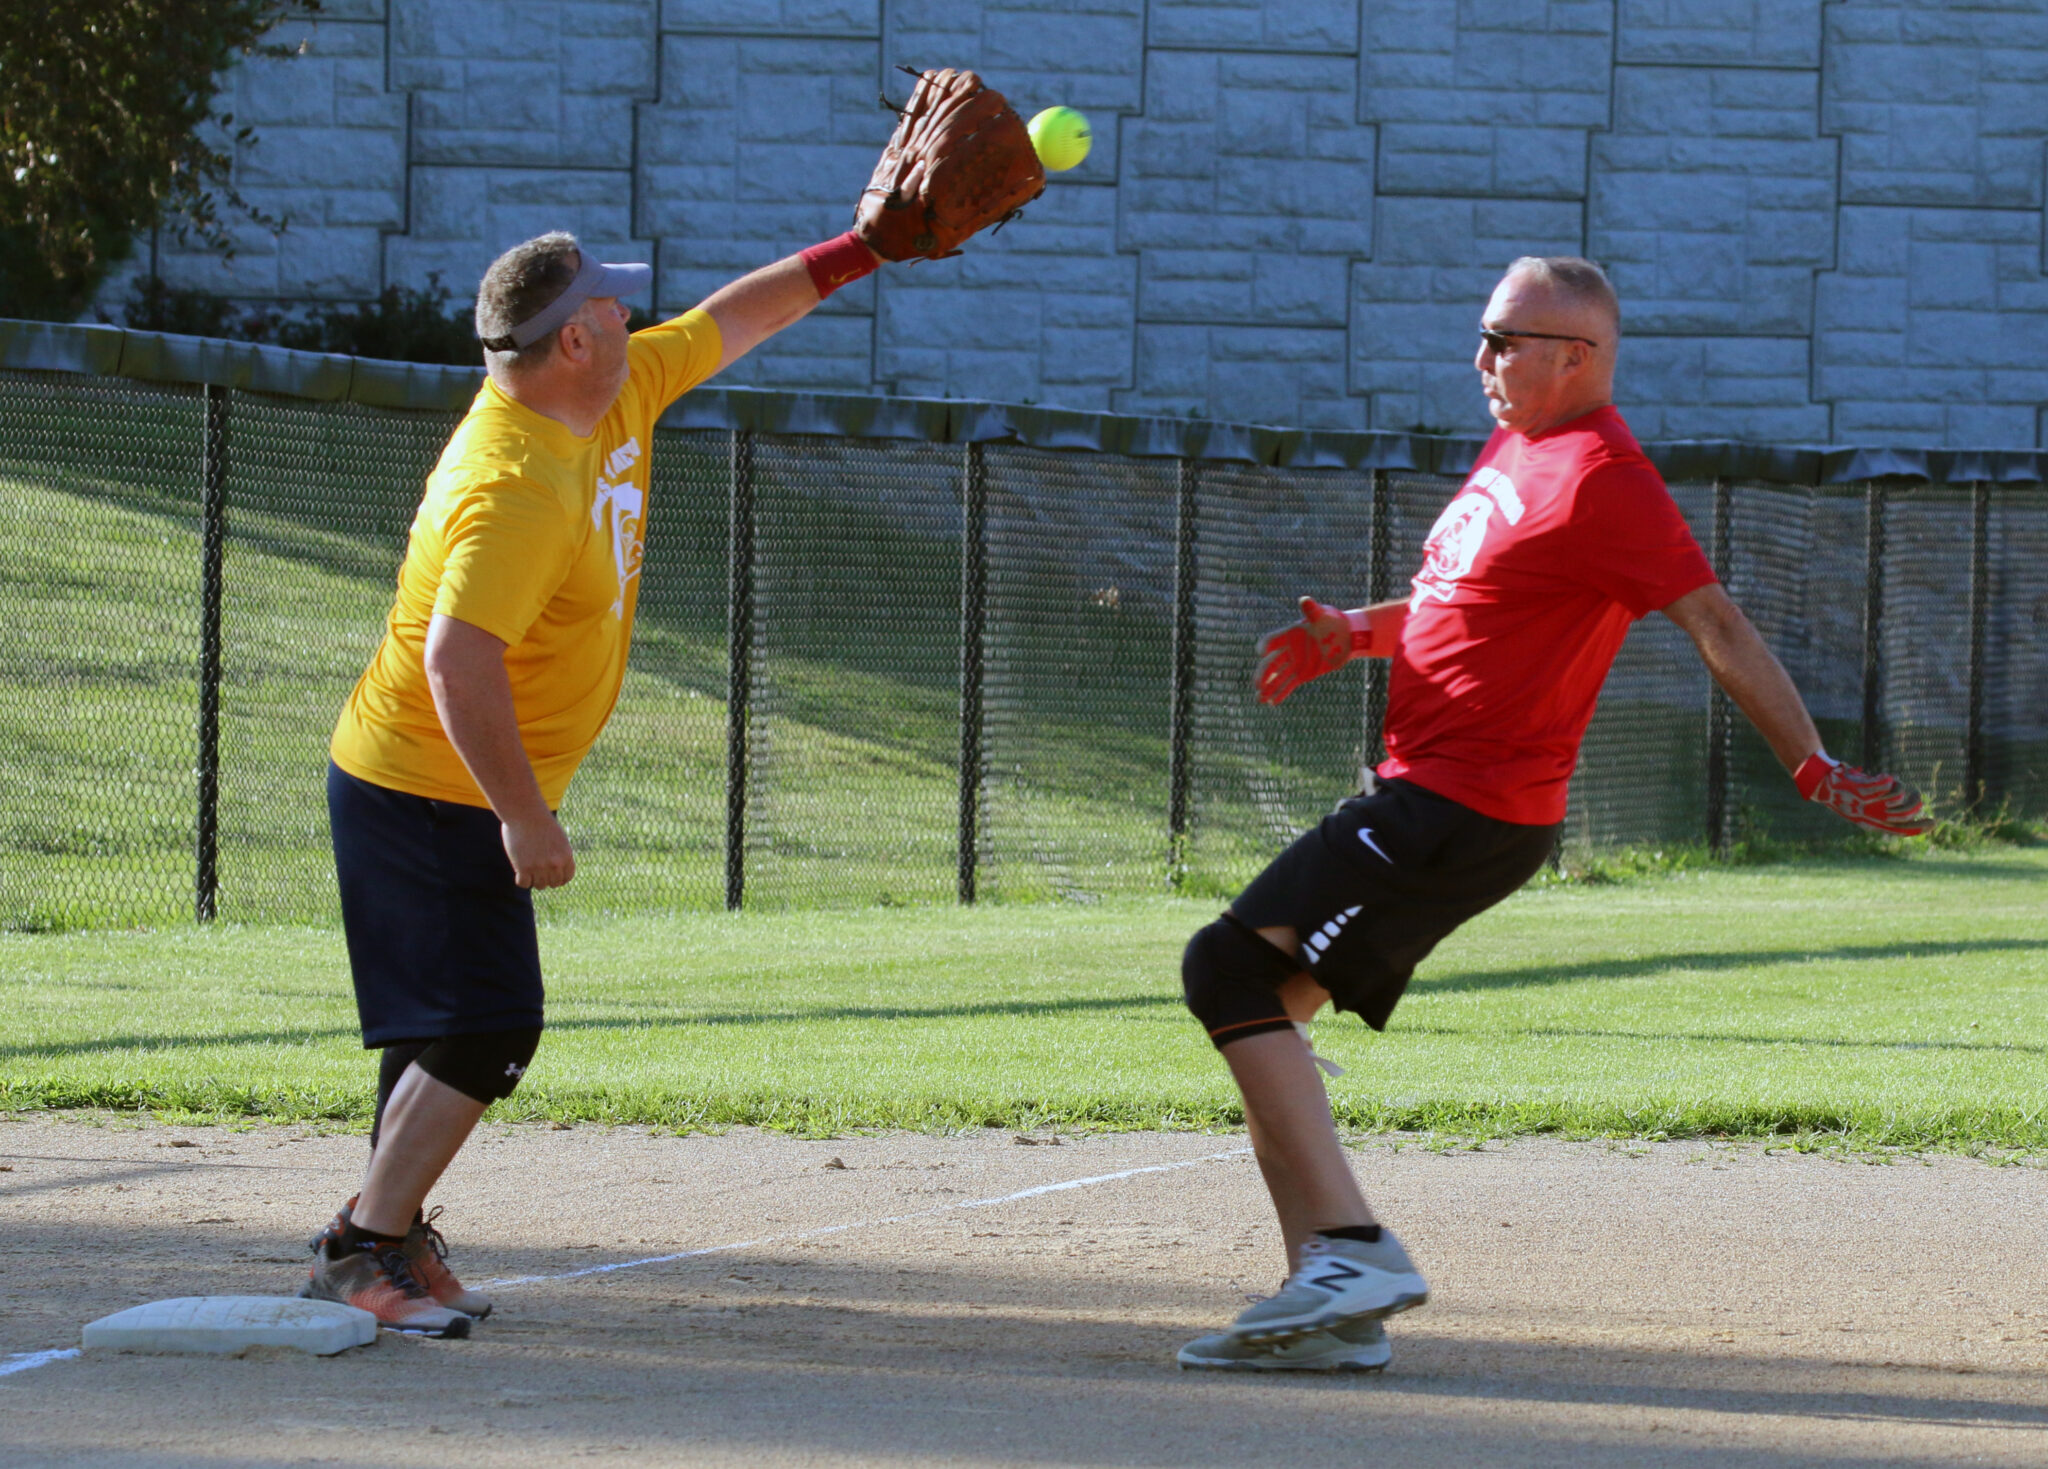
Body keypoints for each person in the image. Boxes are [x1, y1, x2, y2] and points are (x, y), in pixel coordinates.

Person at [1174, 255, 1931, 1373]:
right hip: (1444, 797)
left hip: (1456, 800)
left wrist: (1809, 765)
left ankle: (1347, 1250)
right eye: (1482, 334)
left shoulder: (1601, 477)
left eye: (1505, 339)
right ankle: (1328, 1302)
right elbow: (1468, 602)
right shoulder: (1515, 446)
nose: (1480, 357)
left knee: (1222, 970)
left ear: (1574, 358)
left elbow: (1716, 625)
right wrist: (1357, 631)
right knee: (1264, 1010)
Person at [299, 223, 897, 1336]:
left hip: (441, 778)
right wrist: (523, 814)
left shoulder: (610, 391)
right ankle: (357, 1247)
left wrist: (862, 249)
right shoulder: (515, 481)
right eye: (614, 304)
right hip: (426, 783)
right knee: (489, 1027)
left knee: (437, 1029)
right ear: (573, 339)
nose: (634, 312)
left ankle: (391, 1230)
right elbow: (455, 658)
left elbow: (737, 316)